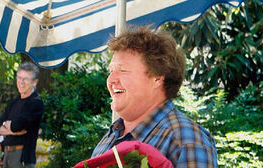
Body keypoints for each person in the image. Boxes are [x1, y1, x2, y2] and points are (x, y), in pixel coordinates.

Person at [91, 27, 216, 167]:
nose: (111, 80)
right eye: (111, 70)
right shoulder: (110, 138)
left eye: (123, 70)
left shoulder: (186, 138)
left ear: (157, 78)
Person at [0, 62, 45, 168]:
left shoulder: (35, 102)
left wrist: (9, 128)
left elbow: (17, 126)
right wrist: (12, 129)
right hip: (7, 154)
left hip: (22, 157)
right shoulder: (13, 102)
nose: (21, 82)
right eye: (19, 78)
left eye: (25, 79)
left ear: (34, 82)